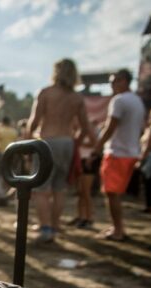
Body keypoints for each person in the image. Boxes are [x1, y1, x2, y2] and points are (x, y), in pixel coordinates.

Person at [27, 58, 96, 243]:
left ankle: (45, 228)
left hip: (47, 141)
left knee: (41, 188)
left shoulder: (46, 92)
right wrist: (76, 143)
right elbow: (85, 127)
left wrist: (27, 141)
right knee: (59, 188)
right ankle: (55, 225)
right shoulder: (77, 97)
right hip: (67, 142)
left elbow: (34, 121)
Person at [92, 69, 145, 241]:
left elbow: (110, 127)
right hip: (131, 152)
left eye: (114, 81)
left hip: (117, 153)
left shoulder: (119, 100)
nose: (111, 85)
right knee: (115, 193)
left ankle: (118, 231)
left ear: (124, 81)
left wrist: (97, 148)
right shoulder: (137, 101)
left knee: (111, 193)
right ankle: (117, 227)